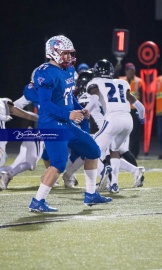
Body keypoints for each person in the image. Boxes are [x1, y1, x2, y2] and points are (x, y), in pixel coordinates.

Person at [29, 35, 112, 212]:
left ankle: (91, 194)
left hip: (66, 123)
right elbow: (45, 104)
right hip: (51, 124)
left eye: (70, 53)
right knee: (58, 163)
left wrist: (79, 109)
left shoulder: (68, 70)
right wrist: (68, 114)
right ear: (54, 52)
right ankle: (38, 201)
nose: (69, 57)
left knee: (93, 150)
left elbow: (69, 95)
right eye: (65, 53)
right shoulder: (45, 72)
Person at [85, 59, 145, 193]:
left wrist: (87, 110)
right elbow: (139, 107)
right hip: (128, 121)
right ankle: (114, 184)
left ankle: (104, 172)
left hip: (112, 119)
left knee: (90, 149)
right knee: (115, 150)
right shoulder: (122, 83)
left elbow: (94, 99)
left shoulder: (95, 82)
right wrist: (142, 118)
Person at [119, 62, 144, 158]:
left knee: (135, 134)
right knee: (122, 132)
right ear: (126, 71)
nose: (131, 72)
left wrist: (141, 113)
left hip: (134, 110)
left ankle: (134, 154)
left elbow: (143, 97)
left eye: (132, 70)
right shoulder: (120, 80)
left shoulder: (139, 81)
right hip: (124, 110)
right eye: (129, 70)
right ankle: (121, 152)